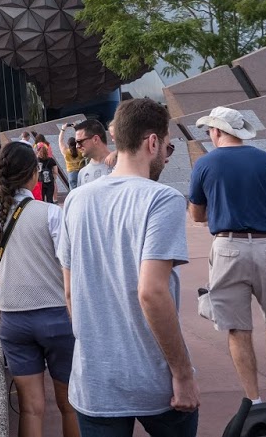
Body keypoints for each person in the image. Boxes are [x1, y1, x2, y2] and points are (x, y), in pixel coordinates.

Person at [59, 97, 196, 436]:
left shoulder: (77, 199)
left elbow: (70, 291)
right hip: (154, 378)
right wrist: (183, 373)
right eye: (168, 146)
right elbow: (151, 292)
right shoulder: (162, 199)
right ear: (152, 142)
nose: (166, 154)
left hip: (94, 379)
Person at [187, 105, 266, 406]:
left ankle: (254, 399)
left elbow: (196, 214)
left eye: (210, 130)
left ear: (218, 131)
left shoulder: (205, 163)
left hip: (227, 246)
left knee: (237, 327)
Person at [0, 141, 79, 437]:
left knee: (31, 408)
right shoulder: (50, 213)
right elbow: (72, 267)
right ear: (33, 173)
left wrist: (4, 301)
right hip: (58, 317)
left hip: (14, 322)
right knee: (71, 405)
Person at [72, 118, 113, 187]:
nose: (77, 146)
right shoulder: (82, 173)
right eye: (76, 142)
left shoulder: (121, 165)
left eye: (80, 142)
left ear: (95, 139)